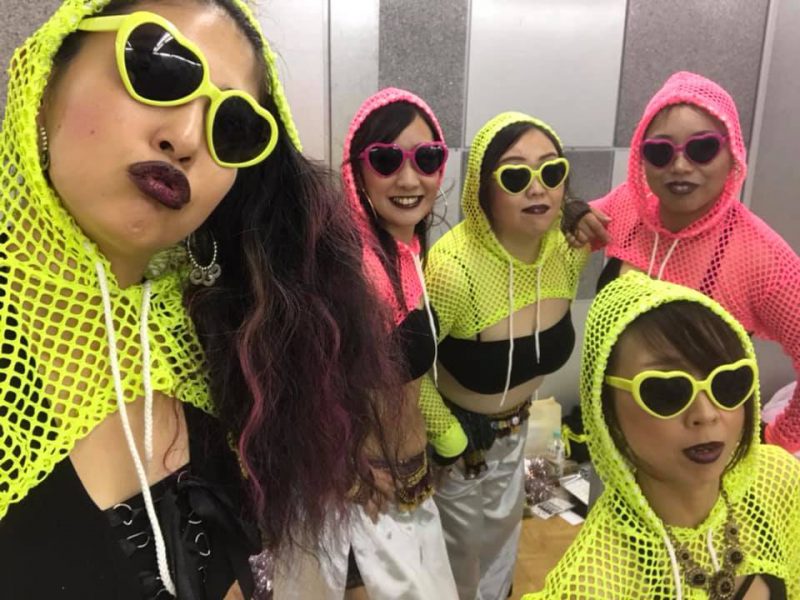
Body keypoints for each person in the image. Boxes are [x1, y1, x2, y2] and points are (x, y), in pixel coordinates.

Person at [0, 1, 401, 597]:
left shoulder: (229, 340)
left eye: (232, 128)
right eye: (159, 71)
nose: (186, 138)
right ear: (46, 78)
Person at [564, 71, 800, 455]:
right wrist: (569, 212)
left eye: (702, 149)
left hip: (699, 458)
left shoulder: (759, 255)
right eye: (660, 152)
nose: (679, 166)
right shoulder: (629, 207)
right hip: (616, 436)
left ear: (733, 153)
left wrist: (776, 441)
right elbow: (562, 232)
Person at [523, 271, 800, 599]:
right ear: (605, 409)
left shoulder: (777, 479)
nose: (706, 413)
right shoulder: (595, 584)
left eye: (727, 383)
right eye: (668, 391)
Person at [420, 111, 589, 599]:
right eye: (516, 176)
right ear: (483, 190)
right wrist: (445, 432)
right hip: (457, 440)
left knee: (502, 537)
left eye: (552, 172)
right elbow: (399, 365)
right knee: (456, 551)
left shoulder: (567, 251)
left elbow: (643, 209)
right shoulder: (453, 270)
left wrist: (579, 210)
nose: (538, 188)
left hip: (518, 431)